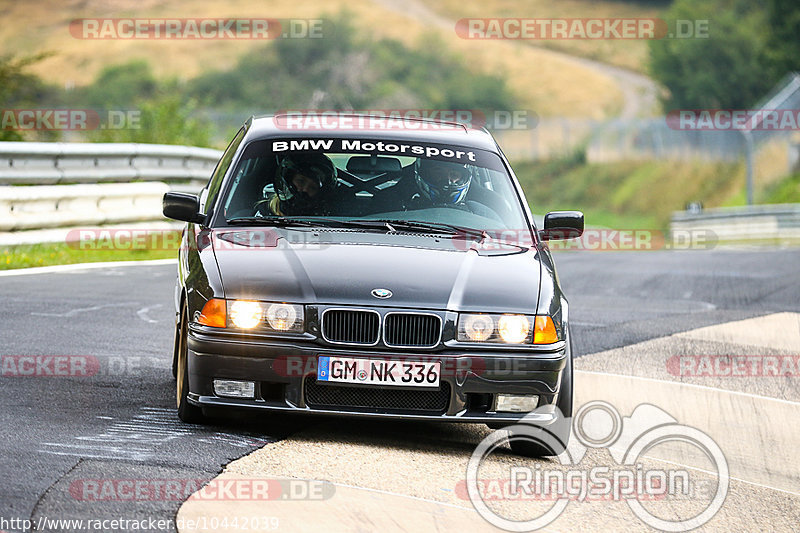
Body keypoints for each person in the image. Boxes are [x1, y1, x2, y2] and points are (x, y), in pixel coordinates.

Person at [370, 158, 507, 220]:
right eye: (438, 172)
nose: (447, 181)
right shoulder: (389, 203)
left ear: (464, 178)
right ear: (423, 173)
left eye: (454, 174)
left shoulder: (484, 211)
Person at [263, 152, 350, 216]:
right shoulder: (261, 215)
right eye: (301, 181)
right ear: (287, 180)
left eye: (312, 187)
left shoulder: (331, 219)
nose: (305, 189)